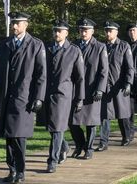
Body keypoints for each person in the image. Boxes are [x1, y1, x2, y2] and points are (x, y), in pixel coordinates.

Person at [0, 11, 46, 183]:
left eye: (18, 23)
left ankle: (20, 171)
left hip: (24, 99)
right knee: (9, 136)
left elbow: (41, 75)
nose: (14, 26)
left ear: (26, 25)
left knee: (19, 136)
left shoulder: (36, 45)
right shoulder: (3, 45)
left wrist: (39, 97)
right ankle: (11, 170)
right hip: (6, 98)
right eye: (13, 23)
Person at [40, 20, 84, 173]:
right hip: (46, 94)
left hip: (63, 96)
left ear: (66, 33)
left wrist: (80, 98)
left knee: (57, 128)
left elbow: (79, 78)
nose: (57, 33)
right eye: (55, 30)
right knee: (51, 127)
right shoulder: (46, 48)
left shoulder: (73, 50)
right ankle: (64, 146)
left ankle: (52, 160)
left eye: (60, 31)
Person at [69, 18, 108, 160]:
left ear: (92, 31)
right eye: (81, 30)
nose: (83, 33)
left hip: (92, 89)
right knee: (72, 121)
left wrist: (100, 89)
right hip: (76, 90)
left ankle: (89, 148)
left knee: (91, 122)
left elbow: (104, 71)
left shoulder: (99, 47)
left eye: (86, 30)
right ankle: (80, 145)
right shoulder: (74, 46)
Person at [97, 21, 135, 150]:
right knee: (104, 115)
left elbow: (130, 67)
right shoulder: (102, 46)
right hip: (105, 86)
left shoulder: (124, 46)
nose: (108, 33)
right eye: (106, 31)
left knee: (122, 114)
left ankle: (126, 136)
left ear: (116, 32)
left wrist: (128, 83)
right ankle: (103, 142)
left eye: (110, 31)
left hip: (119, 86)